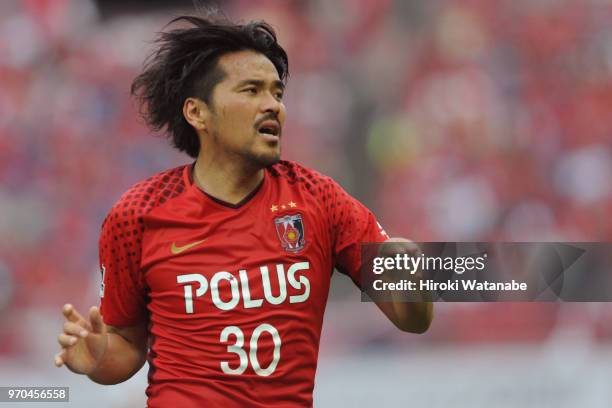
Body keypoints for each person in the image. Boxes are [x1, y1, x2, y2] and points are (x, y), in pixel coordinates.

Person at [54, 15, 433, 407]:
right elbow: (127, 345)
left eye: (277, 93)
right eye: (251, 90)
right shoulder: (136, 215)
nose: (272, 106)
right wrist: (98, 357)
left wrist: (414, 277)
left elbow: (414, 320)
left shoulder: (319, 199)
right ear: (197, 113)